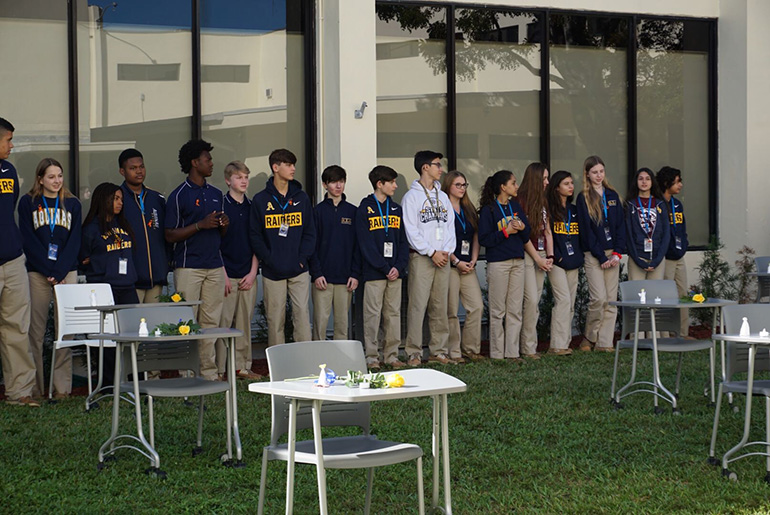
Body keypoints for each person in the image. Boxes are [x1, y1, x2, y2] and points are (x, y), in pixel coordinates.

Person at [165, 140, 229, 381]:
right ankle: (186, 373)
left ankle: (209, 372)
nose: (211, 163)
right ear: (195, 162)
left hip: (214, 265)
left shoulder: (216, 194)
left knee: (210, 321)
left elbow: (221, 233)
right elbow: (169, 234)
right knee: (186, 320)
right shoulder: (178, 195)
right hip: (188, 266)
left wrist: (223, 225)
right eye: (207, 159)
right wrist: (200, 225)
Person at [18, 157, 82, 398]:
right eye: (51, 176)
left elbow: (75, 240)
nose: (57, 181)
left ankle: (62, 389)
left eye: (60, 176)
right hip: (38, 273)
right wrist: (48, 271)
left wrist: (59, 272)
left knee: (65, 331)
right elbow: (27, 239)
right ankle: (34, 388)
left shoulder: (73, 204)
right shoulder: (28, 203)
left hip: (67, 272)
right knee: (35, 331)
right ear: (40, 179)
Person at [249, 148, 315, 347]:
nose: (293, 168)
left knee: (302, 317)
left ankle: (305, 362)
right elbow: (255, 235)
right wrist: (269, 259)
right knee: (275, 320)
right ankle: (278, 365)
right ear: (275, 167)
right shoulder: (261, 200)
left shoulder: (302, 198)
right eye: (288, 164)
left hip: (299, 270)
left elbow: (310, 232)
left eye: (294, 164)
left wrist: (302, 258)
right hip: (272, 271)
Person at [80, 182, 139, 386]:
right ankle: (107, 384)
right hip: (104, 288)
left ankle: (133, 381)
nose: (120, 203)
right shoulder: (90, 229)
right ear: (103, 199)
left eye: (121, 199)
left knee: (133, 336)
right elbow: (84, 257)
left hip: (128, 288)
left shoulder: (123, 225)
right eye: (115, 198)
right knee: (105, 341)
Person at [402, 150, 456, 367]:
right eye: (437, 165)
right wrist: (430, 252)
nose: (441, 169)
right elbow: (411, 230)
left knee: (439, 305)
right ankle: (414, 352)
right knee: (417, 305)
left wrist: (445, 251)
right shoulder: (411, 197)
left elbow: (450, 226)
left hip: (443, 257)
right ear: (425, 167)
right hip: (422, 258)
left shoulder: (443, 197)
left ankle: (438, 350)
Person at [0, 117, 39, 407]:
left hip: (12, 260)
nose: (11, 146)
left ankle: (20, 392)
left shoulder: (8, 170)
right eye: (8, 140)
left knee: (16, 328)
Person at [356, 165, 409, 369]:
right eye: (392, 182)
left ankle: (392, 355)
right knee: (372, 314)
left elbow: (403, 241)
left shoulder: (396, 208)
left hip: (395, 273)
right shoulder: (365, 208)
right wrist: (384, 267)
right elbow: (365, 244)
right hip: (375, 273)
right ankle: (372, 357)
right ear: (380, 184)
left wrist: (398, 266)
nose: (395, 186)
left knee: (393, 314)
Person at [478, 170, 531, 362]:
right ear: (503, 187)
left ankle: (512, 352)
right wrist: (506, 232)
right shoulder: (489, 210)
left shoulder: (516, 206)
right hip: (498, 263)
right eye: (513, 183)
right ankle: (497, 354)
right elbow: (485, 239)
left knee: (515, 309)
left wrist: (524, 228)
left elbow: (526, 236)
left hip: (518, 261)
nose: (516, 186)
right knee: (498, 310)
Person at [576, 155, 626, 353]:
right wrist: (601, 256)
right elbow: (586, 231)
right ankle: (589, 337)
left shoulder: (612, 195)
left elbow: (621, 226)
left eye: (601, 171)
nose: (598, 175)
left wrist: (617, 253)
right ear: (587, 174)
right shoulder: (583, 198)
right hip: (594, 254)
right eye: (594, 172)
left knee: (611, 300)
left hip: (612, 254)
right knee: (598, 298)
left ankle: (605, 343)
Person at [217, 161, 260, 380]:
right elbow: (215, 244)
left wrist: (253, 273)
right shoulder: (221, 206)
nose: (243, 181)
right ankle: (221, 368)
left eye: (246, 177)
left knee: (244, 323)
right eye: (238, 177)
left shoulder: (253, 207)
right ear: (228, 180)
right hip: (226, 274)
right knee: (223, 324)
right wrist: (223, 275)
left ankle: (242, 366)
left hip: (247, 274)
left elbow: (257, 243)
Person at [309, 165, 360, 341]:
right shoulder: (317, 212)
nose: (338, 186)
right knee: (320, 324)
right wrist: (316, 274)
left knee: (342, 326)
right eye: (333, 182)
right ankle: (317, 362)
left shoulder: (353, 212)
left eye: (341, 181)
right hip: (322, 278)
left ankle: (341, 363)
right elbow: (311, 246)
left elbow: (357, 247)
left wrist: (355, 274)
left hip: (345, 279)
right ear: (325, 185)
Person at [441, 171, 484, 363]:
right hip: (451, 265)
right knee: (451, 310)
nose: (462, 189)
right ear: (448, 186)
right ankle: (454, 352)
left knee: (476, 306)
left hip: (468, 265)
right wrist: (456, 261)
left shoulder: (468, 208)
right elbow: (440, 238)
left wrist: (474, 259)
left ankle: (471, 349)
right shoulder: (443, 207)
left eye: (464, 185)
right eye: (458, 185)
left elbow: (475, 235)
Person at [118, 148, 168, 303]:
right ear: (122, 171)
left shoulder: (156, 198)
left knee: (155, 325)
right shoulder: (118, 199)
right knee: (132, 325)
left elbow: (165, 234)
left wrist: (164, 265)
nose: (139, 171)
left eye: (141, 167)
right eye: (132, 168)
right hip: (131, 279)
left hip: (157, 277)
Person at [517, 163, 554, 360]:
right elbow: (523, 236)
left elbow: (547, 231)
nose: (547, 182)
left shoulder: (543, 201)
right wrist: (538, 258)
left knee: (536, 300)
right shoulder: (520, 200)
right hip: (528, 254)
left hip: (541, 254)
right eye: (544, 179)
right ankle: (527, 347)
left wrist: (550, 256)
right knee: (530, 300)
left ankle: (531, 345)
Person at [545, 170, 583, 356]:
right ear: (556, 186)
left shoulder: (574, 210)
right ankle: (556, 345)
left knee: (571, 303)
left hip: (573, 261)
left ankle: (565, 342)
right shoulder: (550, 210)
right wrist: (557, 256)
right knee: (563, 300)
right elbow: (547, 236)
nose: (571, 186)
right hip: (557, 262)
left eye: (571, 183)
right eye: (566, 183)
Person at [658, 165, 690, 337]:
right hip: (666, 257)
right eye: (677, 182)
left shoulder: (677, 204)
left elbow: (682, 228)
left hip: (679, 255)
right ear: (666, 183)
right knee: (667, 295)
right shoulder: (658, 204)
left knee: (683, 293)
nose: (680, 185)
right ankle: (667, 333)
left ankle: (682, 333)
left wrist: (684, 245)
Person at [625, 167, 669, 281]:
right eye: (640, 179)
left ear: (652, 182)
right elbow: (628, 234)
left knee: (654, 296)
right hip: (637, 257)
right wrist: (637, 259)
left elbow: (666, 234)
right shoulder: (630, 205)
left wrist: (658, 259)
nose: (644, 182)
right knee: (636, 296)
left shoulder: (660, 204)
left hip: (657, 258)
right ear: (636, 182)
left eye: (647, 179)